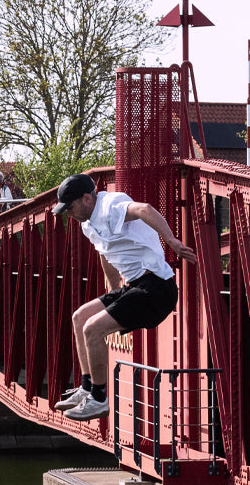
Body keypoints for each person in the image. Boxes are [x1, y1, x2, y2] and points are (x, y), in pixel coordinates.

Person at [50, 174, 196, 421]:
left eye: (71, 208)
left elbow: (144, 209)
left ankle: (98, 399)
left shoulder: (110, 205)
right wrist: (114, 290)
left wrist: (171, 240)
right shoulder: (87, 224)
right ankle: (87, 387)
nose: (69, 214)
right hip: (134, 286)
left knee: (92, 329)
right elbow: (104, 253)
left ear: (87, 199)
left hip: (157, 289)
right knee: (80, 317)